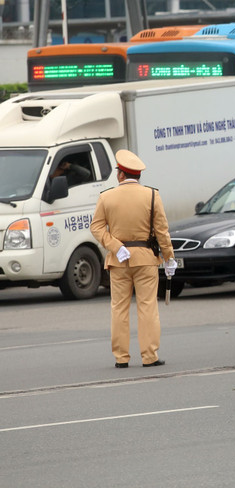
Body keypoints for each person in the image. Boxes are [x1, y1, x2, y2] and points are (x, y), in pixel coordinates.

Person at [90, 150, 176, 368]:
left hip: (119, 261)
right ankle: (149, 356)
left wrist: (115, 246)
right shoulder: (152, 195)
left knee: (119, 308)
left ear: (120, 175)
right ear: (138, 175)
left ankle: (121, 358)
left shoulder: (106, 197)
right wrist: (169, 258)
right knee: (147, 307)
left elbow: (96, 227)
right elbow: (162, 231)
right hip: (146, 259)